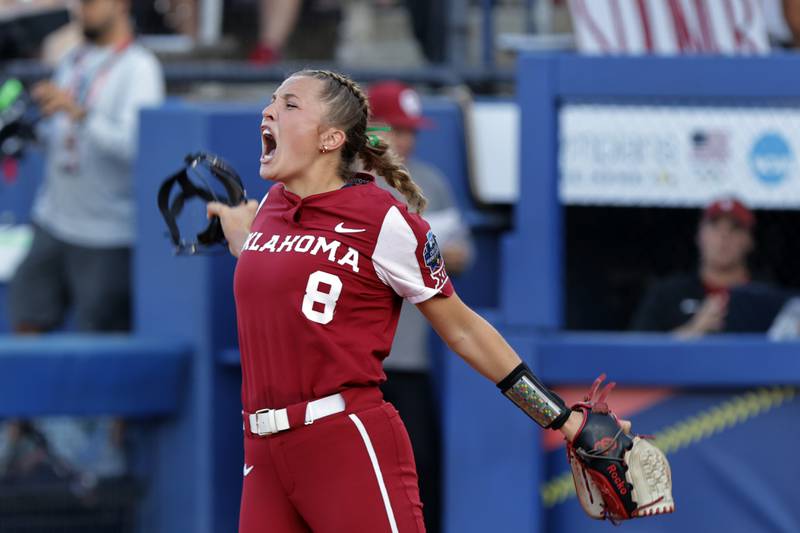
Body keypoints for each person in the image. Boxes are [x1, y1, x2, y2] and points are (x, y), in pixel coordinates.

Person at [207, 69, 622, 533]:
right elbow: (262, 248)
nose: (269, 110)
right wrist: (232, 222)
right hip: (262, 448)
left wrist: (562, 420)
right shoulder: (270, 211)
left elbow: (463, 329)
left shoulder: (383, 220)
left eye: (290, 104)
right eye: (272, 100)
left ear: (331, 138)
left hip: (344, 440)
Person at [4, 0, 164, 479]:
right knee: (28, 320)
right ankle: (17, 433)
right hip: (54, 217)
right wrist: (32, 131)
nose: (82, 9)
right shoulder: (72, 60)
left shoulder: (140, 68)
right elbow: (62, 137)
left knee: (105, 346)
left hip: (109, 231)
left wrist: (79, 112)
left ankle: (105, 457)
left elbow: (139, 147)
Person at [367, 79, 472, 533]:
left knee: (418, 467)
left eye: (410, 131)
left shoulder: (427, 181)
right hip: (349, 361)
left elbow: (461, 254)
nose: (404, 140)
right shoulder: (343, 180)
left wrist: (414, 250)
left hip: (408, 357)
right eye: (394, 129)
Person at [631, 197, 766, 337]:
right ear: (699, 235)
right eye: (714, 226)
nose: (724, 236)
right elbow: (638, 353)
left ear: (749, 240)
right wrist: (694, 329)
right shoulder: (666, 295)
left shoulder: (766, 300)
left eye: (735, 228)